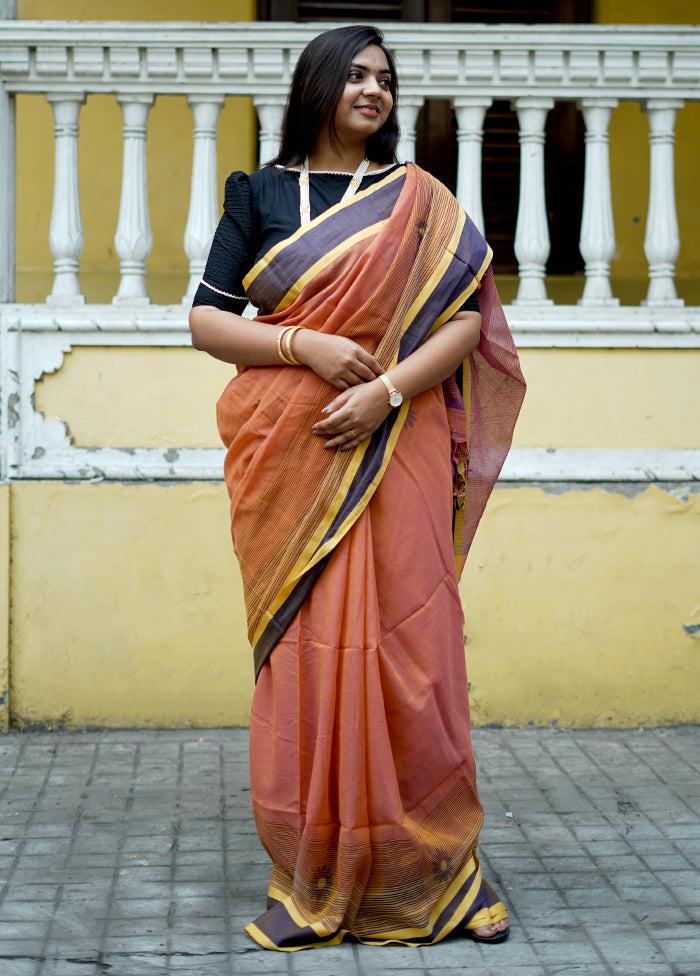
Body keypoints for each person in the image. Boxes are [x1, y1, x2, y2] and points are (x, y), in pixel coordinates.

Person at [189, 24, 525, 953]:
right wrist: (306, 344)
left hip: (398, 441)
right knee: (310, 655)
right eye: (357, 76)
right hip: (290, 458)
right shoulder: (257, 193)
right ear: (320, 85)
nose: (373, 90)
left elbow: (463, 325)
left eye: (385, 78)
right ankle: (314, 873)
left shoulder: (420, 200)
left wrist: (383, 391)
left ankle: (438, 876)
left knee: (414, 650)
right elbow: (208, 323)